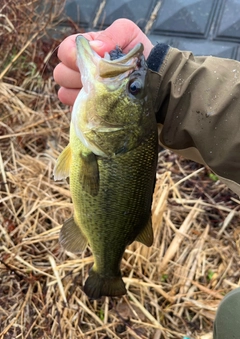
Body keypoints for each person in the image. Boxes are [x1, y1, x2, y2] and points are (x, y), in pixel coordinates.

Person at [53, 18, 240, 339]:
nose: (133, 82)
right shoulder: (108, 137)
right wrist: (164, 81)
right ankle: (107, 267)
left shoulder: (99, 143)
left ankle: (106, 269)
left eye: (134, 88)